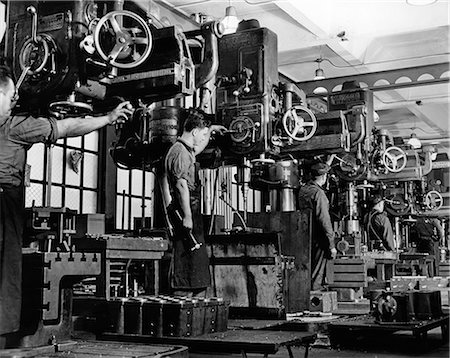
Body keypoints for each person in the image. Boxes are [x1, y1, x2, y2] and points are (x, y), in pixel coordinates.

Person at [0, 65, 133, 346]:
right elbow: (68, 126)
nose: (15, 101)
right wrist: (108, 117)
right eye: (12, 95)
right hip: (4, 206)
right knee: (4, 274)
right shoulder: (14, 127)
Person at [164, 109, 225, 297]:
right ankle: (183, 303)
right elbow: (181, 186)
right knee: (187, 264)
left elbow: (198, 148)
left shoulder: (185, 149)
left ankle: (195, 305)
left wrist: (211, 129)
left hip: (191, 207)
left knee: (197, 267)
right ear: (195, 132)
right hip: (185, 209)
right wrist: (188, 217)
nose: (204, 138)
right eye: (203, 134)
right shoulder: (179, 152)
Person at [297, 162, 337, 291]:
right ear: (324, 177)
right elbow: (324, 219)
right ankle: (314, 298)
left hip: (303, 236)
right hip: (319, 239)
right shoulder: (318, 194)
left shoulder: (302, 190)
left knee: (306, 269)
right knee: (317, 273)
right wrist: (331, 244)